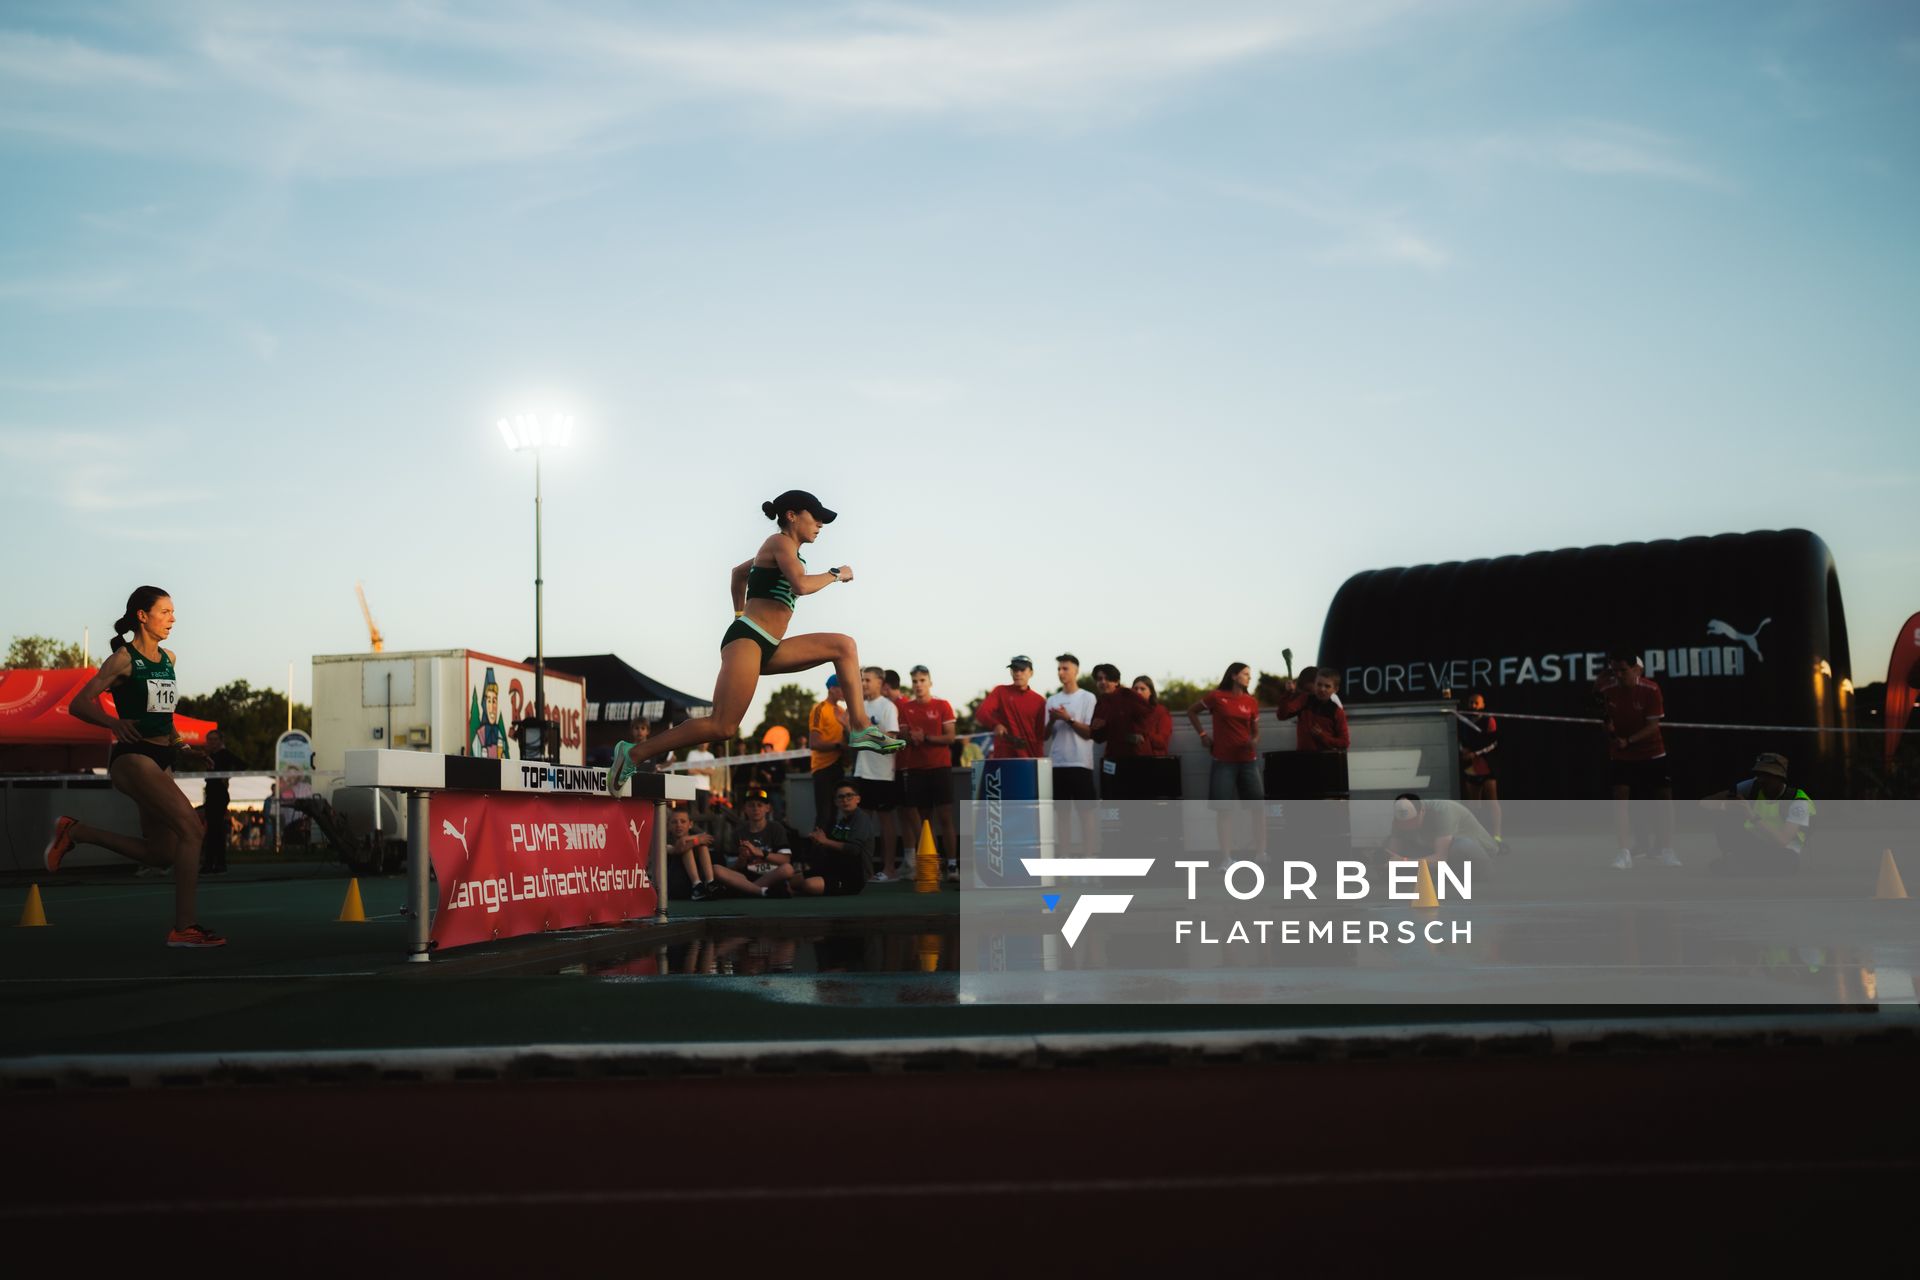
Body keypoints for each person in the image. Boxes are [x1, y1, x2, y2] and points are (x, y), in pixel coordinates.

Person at [607, 490, 902, 796]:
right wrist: (835, 574)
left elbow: (737, 575)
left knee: (844, 646)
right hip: (748, 640)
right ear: (792, 515)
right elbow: (800, 585)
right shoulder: (779, 543)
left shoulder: (784, 552)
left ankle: (860, 726)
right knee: (722, 727)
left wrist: (737, 613)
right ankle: (632, 753)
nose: (820, 525)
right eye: (815, 518)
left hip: (769, 644)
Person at [41, 586, 223, 947]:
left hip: (161, 759)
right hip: (132, 758)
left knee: (161, 853)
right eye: (165, 612)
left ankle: (76, 833)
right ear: (142, 615)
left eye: (173, 612)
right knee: (192, 829)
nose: (173, 618)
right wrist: (112, 723)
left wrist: (183, 747)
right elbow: (80, 704)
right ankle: (184, 927)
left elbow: (163, 718)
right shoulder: (123, 660)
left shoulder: (169, 658)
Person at [1595, 647, 1678, 870]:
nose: (1618, 675)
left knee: (1664, 801)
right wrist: (1609, 731)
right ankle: (1623, 853)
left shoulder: (1651, 690)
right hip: (1621, 754)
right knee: (1620, 799)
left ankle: (1667, 850)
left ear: (1636, 669)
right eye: (1614, 671)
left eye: (1623, 670)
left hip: (1652, 751)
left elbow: (1653, 726)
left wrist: (1628, 740)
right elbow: (1605, 722)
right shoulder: (1607, 688)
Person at [1189, 661, 1265, 860]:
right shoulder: (1216, 696)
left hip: (1248, 760)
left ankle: (1261, 853)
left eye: (1250, 674)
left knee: (1258, 808)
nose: (1249, 677)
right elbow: (1191, 711)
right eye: (1245, 674)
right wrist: (1203, 735)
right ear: (1233, 675)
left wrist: (1253, 742)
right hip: (1223, 760)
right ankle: (1226, 858)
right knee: (1224, 810)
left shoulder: (1251, 701)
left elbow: (1256, 733)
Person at [1701, 752, 1813, 876]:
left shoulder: (1798, 801)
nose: (1761, 779)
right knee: (1723, 816)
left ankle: (1744, 865)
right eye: (1758, 774)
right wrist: (1726, 806)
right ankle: (1740, 861)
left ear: (1780, 777)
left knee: (1787, 862)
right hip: (1755, 845)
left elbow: (1782, 840)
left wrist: (1752, 816)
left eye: (1767, 775)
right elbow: (1705, 802)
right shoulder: (1752, 786)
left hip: (1783, 852)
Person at [897, 664, 958, 876]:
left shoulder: (943, 705)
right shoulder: (906, 708)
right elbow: (902, 736)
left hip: (940, 767)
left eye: (922, 680)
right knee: (924, 822)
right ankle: (931, 866)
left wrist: (927, 738)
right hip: (916, 769)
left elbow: (950, 737)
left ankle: (951, 864)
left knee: (945, 818)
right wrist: (910, 736)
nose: (918, 685)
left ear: (930, 683)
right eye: (915, 681)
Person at [850, 667, 904, 879]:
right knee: (862, 823)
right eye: (862, 680)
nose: (863, 684)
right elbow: (854, 738)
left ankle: (889, 868)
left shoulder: (888, 707)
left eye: (868, 680)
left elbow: (890, 740)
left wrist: (867, 734)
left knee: (885, 822)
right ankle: (865, 870)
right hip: (862, 771)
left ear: (880, 682)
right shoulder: (858, 706)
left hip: (882, 773)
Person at [1045, 653, 1100, 856]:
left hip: (1080, 763)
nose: (1061, 672)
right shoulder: (1052, 699)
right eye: (1059, 668)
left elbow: (1089, 733)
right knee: (1062, 815)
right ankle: (1065, 860)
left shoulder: (1087, 697)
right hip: (1058, 764)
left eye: (1065, 668)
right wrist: (1052, 720)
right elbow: (1044, 736)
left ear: (1076, 670)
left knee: (1086, 814)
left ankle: (1089, 858)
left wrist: (1068, 719)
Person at [791, 782, 877, 896]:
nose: (845, 800)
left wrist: (826, 841)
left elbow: (854, 849)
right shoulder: (841, 821)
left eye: (849, 795)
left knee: (809, 885)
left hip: (853, 875)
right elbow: (833, 847)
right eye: (841, 797)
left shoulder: (861, 819)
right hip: (833, 869)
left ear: (858, 799)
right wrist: (820, 842)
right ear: (836, 802)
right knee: (793, 880)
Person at [1382, 794, 1496, 868]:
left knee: (1460, 847)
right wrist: (1385, 861)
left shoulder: (1443, 811)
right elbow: (1393, 853)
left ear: (1422, 811)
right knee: (1387, 843)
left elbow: (1441, 858)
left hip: (1481, 852)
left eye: (1412, 822)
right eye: (1403, 824)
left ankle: (1468, 876)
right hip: (1438, 848)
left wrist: (1404, 862)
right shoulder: (1399, 818)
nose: (1407, 826)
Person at [1454, 692, 1505, 852]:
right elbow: (1460, 741)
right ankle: (1475, 836)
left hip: (1487, 766)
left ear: (1482, 704)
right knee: (1473, 806)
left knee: (1492, 803)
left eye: (1476, 703)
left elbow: (1493, 743)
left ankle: (1496, 836)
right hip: (1471, 768)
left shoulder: (1489, 720)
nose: (1473, 706)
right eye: (1471, 702)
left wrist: (1475, 753)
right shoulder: (1464, 721)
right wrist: (1464, 751)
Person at [975, 656, 1047, 759]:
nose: (1018, 673)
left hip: (1030, 759)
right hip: (1004, 758)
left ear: (1031, 673)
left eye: (1022, 670)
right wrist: (996, 725)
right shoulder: (1000, 691)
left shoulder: (1040, 701)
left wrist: (1039, 760)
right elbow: (981, 713)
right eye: (1014, 669)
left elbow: (1040, 736)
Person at [194, 728, 244, 875]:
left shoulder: (224, 754)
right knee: (213, 830)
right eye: (209, 739)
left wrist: (227, 776)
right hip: (211, 795)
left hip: (219, 796)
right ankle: (213, 863)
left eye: (215, 739)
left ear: (221, 741)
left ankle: (215, 864)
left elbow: (242, 765)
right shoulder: (210, 755)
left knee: (216, 830)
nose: (212, 742)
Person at [1088, 662, 1138, 796]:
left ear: (1117, 681)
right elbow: (1098, 738)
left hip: (1135, 760)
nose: (1103, 682)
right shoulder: (1100, 703)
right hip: (1111, 759)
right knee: (1111, 805)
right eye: (1099, 679)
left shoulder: (1128, 696)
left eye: (1107, 678)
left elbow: (1147, 717)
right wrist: (1096, 728)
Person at [807, 675, 849, 830]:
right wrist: (839, 746)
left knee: (834, 814)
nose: (845, 691)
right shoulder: (819, 709)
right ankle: (817, 853)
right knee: (824, 815)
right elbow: (814, 743)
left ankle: (830, 851)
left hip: (839, 767)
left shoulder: (842, 711)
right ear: (832, 689)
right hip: (822, 768)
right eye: (842, 687)